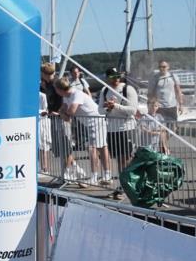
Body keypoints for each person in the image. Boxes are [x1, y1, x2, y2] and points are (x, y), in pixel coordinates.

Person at [55, 77, 110, 186]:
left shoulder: (77, 94)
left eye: (56, 89)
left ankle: (95, 177)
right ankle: (106, 175)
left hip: (96, 121)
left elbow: (70, 111)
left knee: (94, 148)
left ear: (60, 89)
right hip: (90, 123)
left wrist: (63, 113)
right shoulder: (66, 96)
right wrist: (63, 113)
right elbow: (64, 112)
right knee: (101, 147)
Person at [99, 67, 138, 199]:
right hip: (111, 129)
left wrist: (115, 106)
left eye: (117, 76)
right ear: (107, 78)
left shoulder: (128, 89)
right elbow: (99, 110)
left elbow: (132, 110)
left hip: (127, 128)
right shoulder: (105, 90)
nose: (115, 79)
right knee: (119, 160)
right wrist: (107, 108)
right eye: (112, 77)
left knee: (126, 159)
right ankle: (123, 186)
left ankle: (128, 186)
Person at [147, 60, 185, 126]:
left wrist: (181, 105)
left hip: (171, 107)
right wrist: (150, 106)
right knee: (161, 129)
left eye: (164, 67)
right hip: (160, 107)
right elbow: (150, 93)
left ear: (168, 67)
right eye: (160, 67)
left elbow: (178, 91)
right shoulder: (155, 78)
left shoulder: (173, 77)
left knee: (172, 128)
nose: (162, 68)